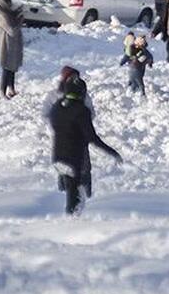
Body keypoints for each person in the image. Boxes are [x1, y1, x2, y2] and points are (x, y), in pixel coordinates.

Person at [48, 75, 121, 215]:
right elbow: (92, 138)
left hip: (57, 157)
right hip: (73, 159)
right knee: (75, 197)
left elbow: (54, 121)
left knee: (71, 190)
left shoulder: (57, 106)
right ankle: (72, 224)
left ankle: (68, 217)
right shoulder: (81, 111)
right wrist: (112, 152)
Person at [0, 0, 24, 99]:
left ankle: (11, 88)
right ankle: (3, 91)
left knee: (13, 67)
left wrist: (19, 13)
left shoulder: (8, 11)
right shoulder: (2, 15)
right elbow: (12, 30)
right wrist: (20, 20)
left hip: (13, 44)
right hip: (6, 45)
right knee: (7, 68)